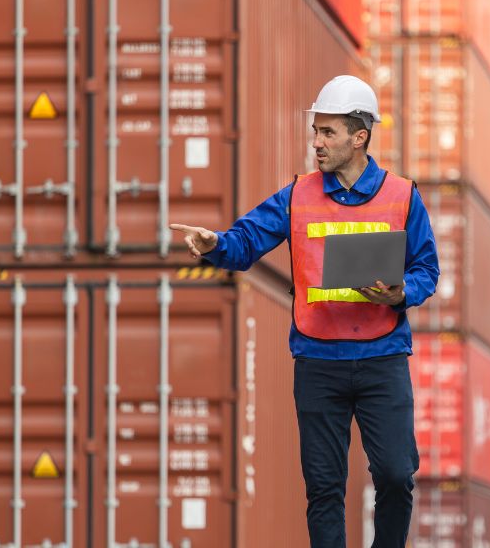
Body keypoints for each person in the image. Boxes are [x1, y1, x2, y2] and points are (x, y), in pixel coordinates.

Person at [170, 75, 439, 548]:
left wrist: (400, 293)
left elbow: (427, 269)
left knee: (397, 476)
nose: (316, 142)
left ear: (359, 138)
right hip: (318, 361)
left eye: (328, 132)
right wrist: (215, 243)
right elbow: (246, 242)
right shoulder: (296, 195)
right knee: (323, 489)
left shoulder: (403, 195)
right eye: (315, 131)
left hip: (382, 359)